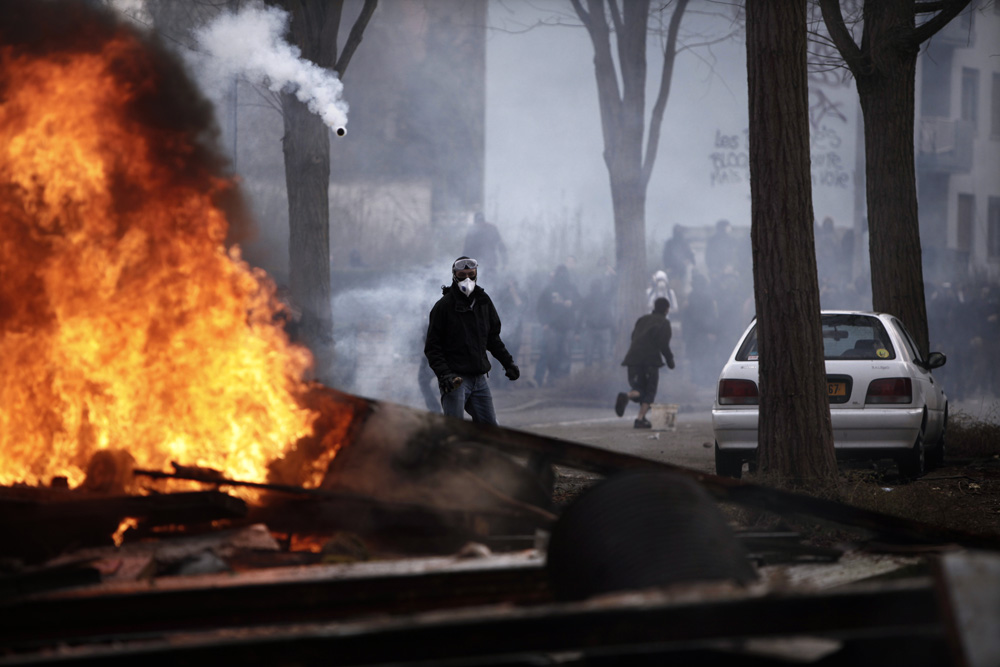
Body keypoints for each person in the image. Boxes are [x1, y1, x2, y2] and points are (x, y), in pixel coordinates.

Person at [424, 256, 519, 423]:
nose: (467, 279)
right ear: (454, 276)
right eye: (462, 274)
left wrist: (508, 363)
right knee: (454, 429)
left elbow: (492, 338)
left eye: (471, 273)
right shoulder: (443, 307)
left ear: (476, 274)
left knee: (490, 429)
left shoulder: (484, 302)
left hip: (479, 379)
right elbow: (432, 347)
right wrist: (445, 374)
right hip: (455, 380)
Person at [615, 297, 675, 429]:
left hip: (632, 359)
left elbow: (633, 337)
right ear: (666, 309)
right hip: (650, 361)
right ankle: (640, 419)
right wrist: (670, 360)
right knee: (650, 392)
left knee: (639, 388)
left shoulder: (642, 319)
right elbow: (663, 344)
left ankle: (627, 396)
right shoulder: (664, 323)